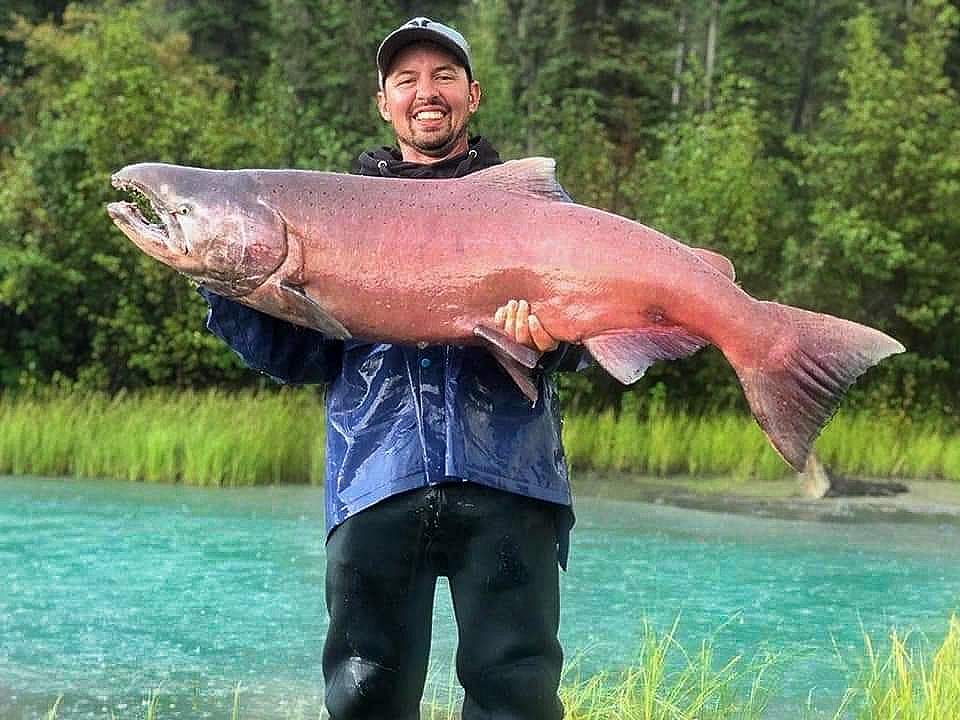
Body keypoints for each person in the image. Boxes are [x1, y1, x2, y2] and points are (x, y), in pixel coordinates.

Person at [200, 17, 582, 720]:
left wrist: (553, 341)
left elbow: (586, 339)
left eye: (443, 76)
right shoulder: (333, 212)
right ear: (384, 102)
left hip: (511, 476)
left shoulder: (531, 209)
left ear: (474, 94)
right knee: (363, 697)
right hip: (375, 475)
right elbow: (301, 357)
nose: (425, 92)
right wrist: (230, 282)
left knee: (516, 695)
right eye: (406, 79)